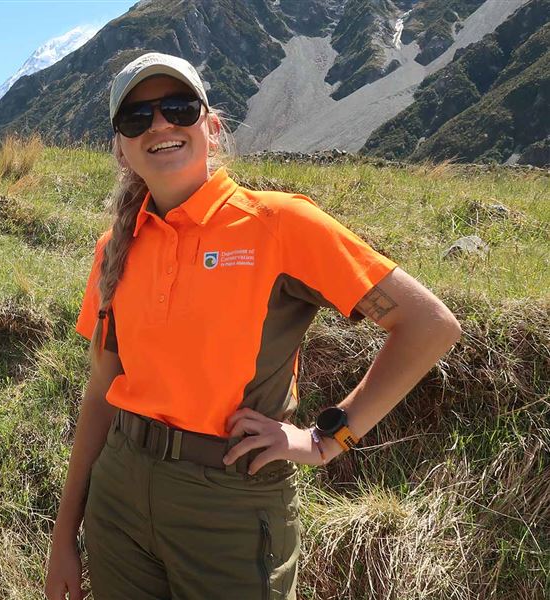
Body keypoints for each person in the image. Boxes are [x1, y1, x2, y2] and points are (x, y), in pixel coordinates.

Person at [45, 53, 462, 599]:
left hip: (231, 503)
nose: (161, 125)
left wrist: (325, 440)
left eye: (179, 107)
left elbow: (429, 325)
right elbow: (101, 392)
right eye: (137, 118)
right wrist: (63, 534)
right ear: (120, 147)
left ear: (211, 127)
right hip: (118, 496)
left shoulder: (279, 224)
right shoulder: (114, 250)